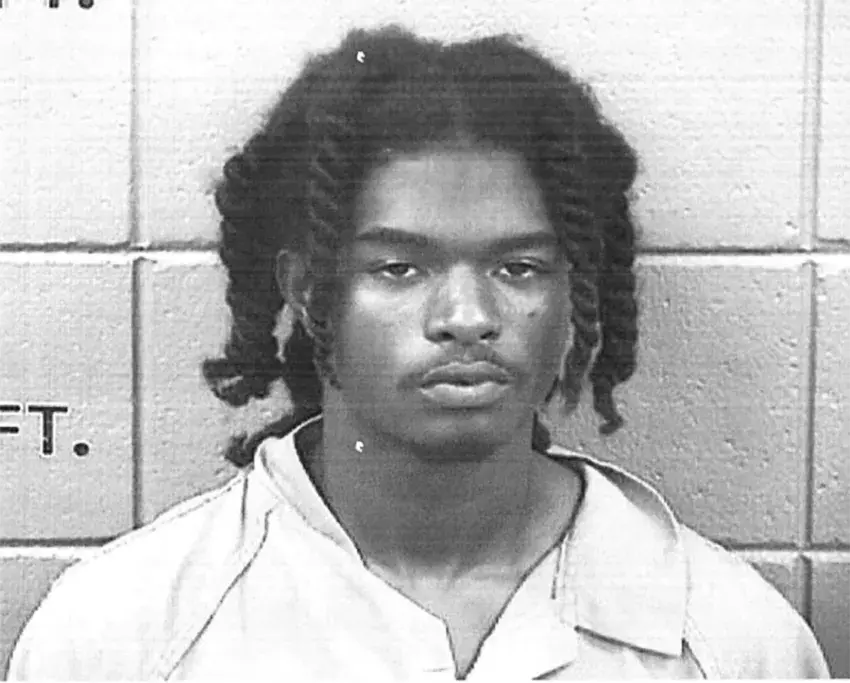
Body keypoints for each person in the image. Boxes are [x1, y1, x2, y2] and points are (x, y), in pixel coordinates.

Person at [8, 24, 830, 680]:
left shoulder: (733, 641)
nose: (467, 317)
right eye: (399, 267)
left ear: (574, 291)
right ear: (308, 289)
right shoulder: (123, 633)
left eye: (519, 267)